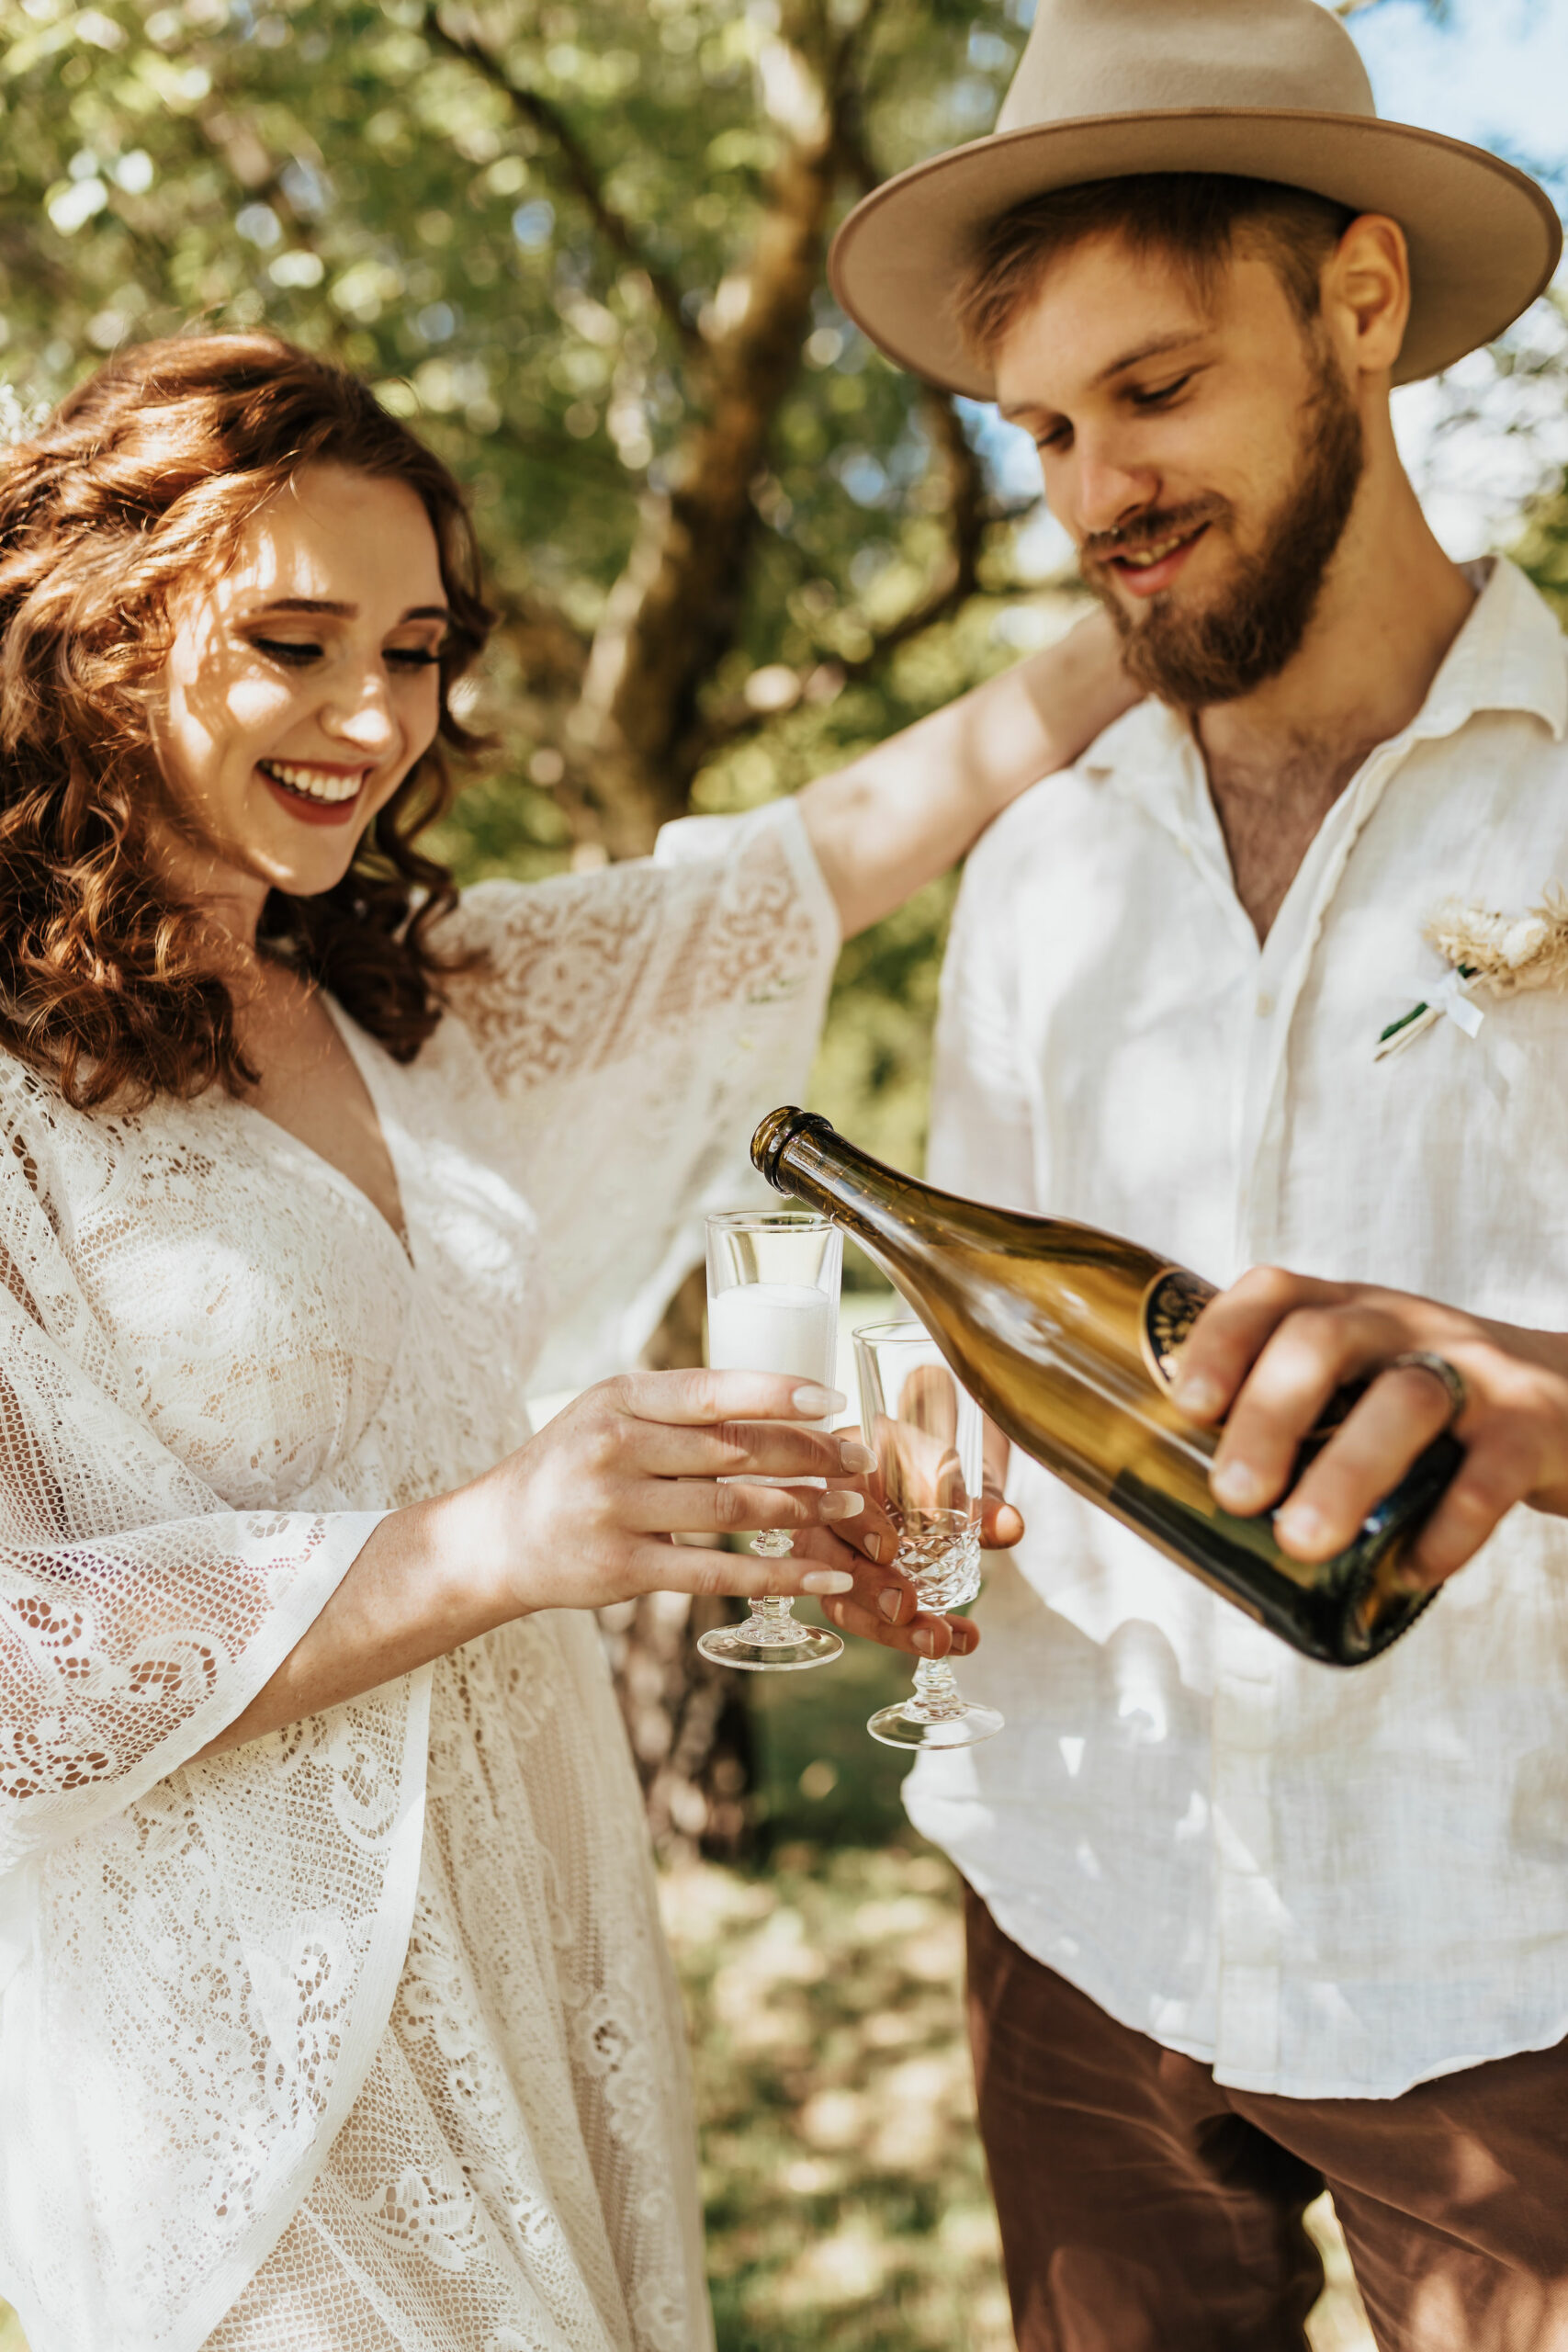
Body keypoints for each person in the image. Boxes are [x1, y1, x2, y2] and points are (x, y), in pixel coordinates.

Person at [0, 334, 1132, 2352]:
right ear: (94, 640)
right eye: (293, 639)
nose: (373, 715)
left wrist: (1147, 618)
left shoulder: (408, 998)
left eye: (416, 649)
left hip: (541, 1946)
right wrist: (484, 1541)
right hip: (240, 2067)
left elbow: (802, 867)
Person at [825, 1, 1568, 2346]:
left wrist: (1526, 1398)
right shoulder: (1036, 873)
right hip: (1080, 1909)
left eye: (1149, 394)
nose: (1083, 490)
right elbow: (973, 1355)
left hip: (1509, 1946)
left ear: (1357, 304)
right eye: (1037, 427)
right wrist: (910, 1493)